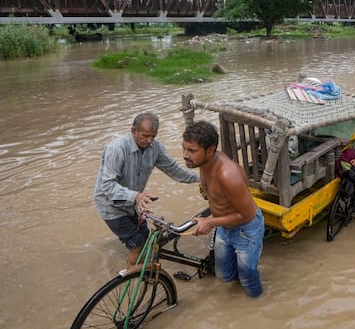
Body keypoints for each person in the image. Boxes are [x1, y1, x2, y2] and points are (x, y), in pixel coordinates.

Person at [93, 112, 200, 266]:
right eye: (145, 136)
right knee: (136, 242)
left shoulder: (154, 148)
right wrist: (136, 196)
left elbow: (174, 170)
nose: (149, 141)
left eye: (153, 137)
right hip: (110, 204)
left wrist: (200, 179)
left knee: (145, 235)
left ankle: (138, 269)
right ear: (133, 131)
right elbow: (107, 186)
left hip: (133, 203)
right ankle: (134, 280)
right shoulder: (117, 149)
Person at [182, 121, 264, 298]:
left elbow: (247, 214)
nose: (185, 155)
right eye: (184, 149)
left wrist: (210, 222)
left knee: (248, 279)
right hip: (224, 226)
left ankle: (257, 305)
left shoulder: (228, 174)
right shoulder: (203, 163)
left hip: (246, 229)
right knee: (224, 275)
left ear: (210, 150)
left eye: (191, 151)